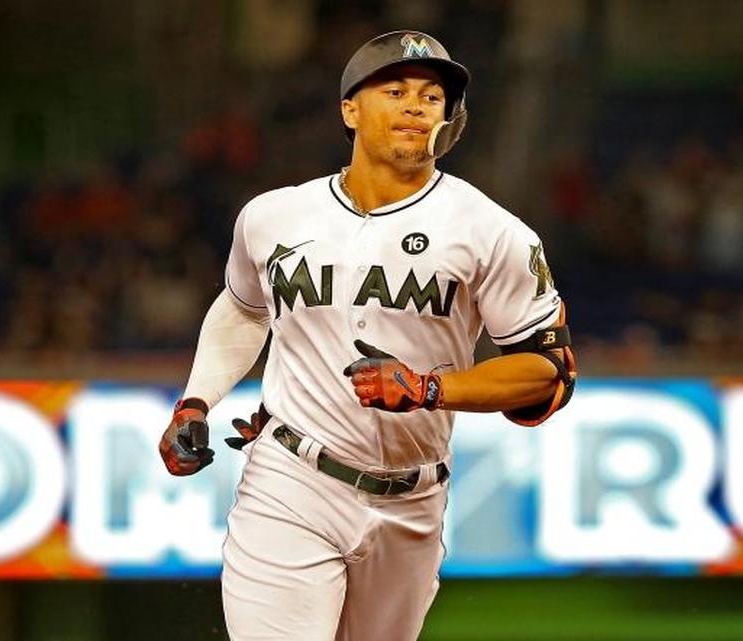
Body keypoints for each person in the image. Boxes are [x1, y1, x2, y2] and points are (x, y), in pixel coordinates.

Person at [159, 30, 576, 641]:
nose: (415, 105)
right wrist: (195, 400)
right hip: (291, 475)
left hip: (414, 499)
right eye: (395, 90)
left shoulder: (493, 231)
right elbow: (245, 308)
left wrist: (430, 389)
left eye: (432, 96)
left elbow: (549, 374)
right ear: (349, 110)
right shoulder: (274, 215)